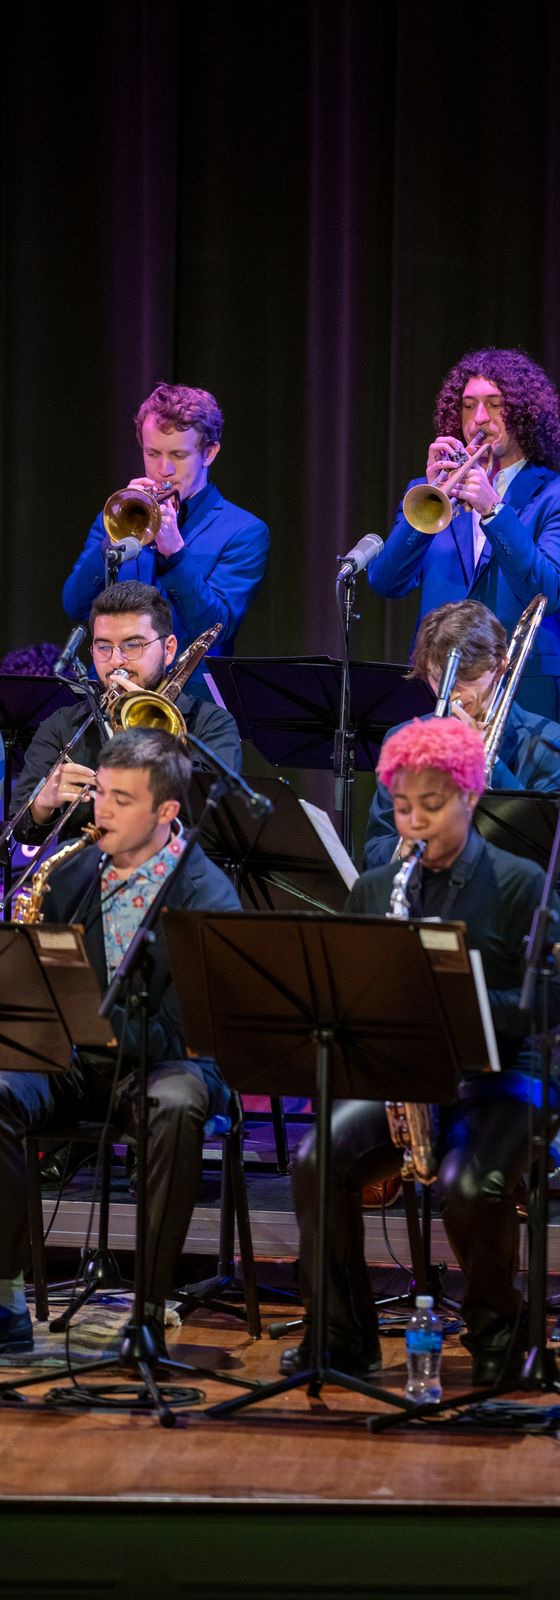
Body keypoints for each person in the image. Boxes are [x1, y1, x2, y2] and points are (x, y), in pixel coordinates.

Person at [288, 717, 560, 1386]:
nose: (413, 823)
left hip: (505, 1078)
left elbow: (548, 1006)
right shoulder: (376, 889)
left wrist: (454, 998)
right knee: (315, 1159)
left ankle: (500, 1333)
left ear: (469, 796)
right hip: (410, 1078)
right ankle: (341, 1337)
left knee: (468, 1184)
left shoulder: (520, 883)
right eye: (401, 807)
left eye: (431, 806)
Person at [0, 728, 241, 1357]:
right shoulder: (72, 871)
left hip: (167, 1062)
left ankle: (149, 1311)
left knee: (176, 1106)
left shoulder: (208, 893)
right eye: (101, 794)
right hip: (78, 1059)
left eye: (122, 799)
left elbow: (191, 1033)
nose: (101, 810)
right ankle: (5, 1296)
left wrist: (98, 1017)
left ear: (166, 811)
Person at [368, 348, 560, 729]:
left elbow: (548, 591)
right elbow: (386, 582)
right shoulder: (430, 492)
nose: (478, 419)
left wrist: (494, 511)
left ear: (524, 414)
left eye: (495, 405)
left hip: (524, 699)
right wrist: (428, 505)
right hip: (436, 696)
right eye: (468, 405)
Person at [8, 581, 241, 850]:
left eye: (133, 645)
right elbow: (20, 828)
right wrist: (42, 804)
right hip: (86, 871)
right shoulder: (62, 725)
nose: (116, 661)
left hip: (175, 871)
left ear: (168, 650)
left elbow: (212, 816)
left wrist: (146, 734)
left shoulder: (211, 723)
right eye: (103, 647)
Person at [62, 382, 269, 671]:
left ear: (209, 453)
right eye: (152, 453)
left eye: (178, 455)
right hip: (113, 687)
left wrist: (175, 555)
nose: (164, 469)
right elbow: (75, 605)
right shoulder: (116, 519)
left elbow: (215, 630)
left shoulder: (243, 531)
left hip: (189, 695)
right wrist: (112, 543)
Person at [363, 599, 560, 868]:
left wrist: (487, 762)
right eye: (437, 679)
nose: (451, 694)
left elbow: (544, 854)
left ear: (500, 666)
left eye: (464, 679)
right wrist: (406, 848)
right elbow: (374, 853)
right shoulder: (403, 739)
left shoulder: (553, 745)